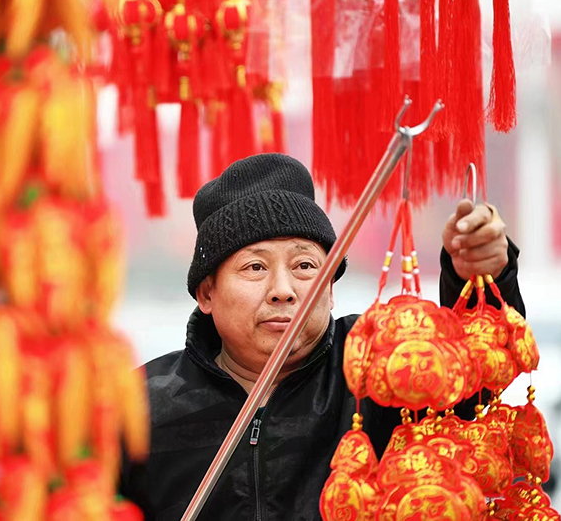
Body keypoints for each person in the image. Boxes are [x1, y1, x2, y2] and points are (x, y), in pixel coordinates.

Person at [119, 153, 524, 520]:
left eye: (305, 266)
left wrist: (485, 276)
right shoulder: (140, 406)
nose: (283, 290)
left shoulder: (377, 365)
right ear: (207, 293)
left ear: (330, 289)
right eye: (255, 267)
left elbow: (475, 380)